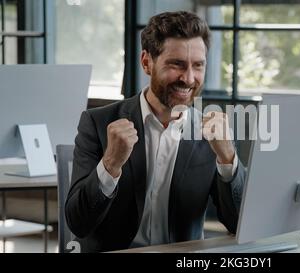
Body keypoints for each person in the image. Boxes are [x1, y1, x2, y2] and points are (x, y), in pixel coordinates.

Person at [65, 11, 246, 253]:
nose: (189, 78)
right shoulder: (97, 123)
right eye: (177, 64)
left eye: (198, 66)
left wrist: (227, 159)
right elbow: (78, 222)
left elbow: (240, 224)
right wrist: (110, 164)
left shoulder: (212, 134)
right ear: (147, 62)